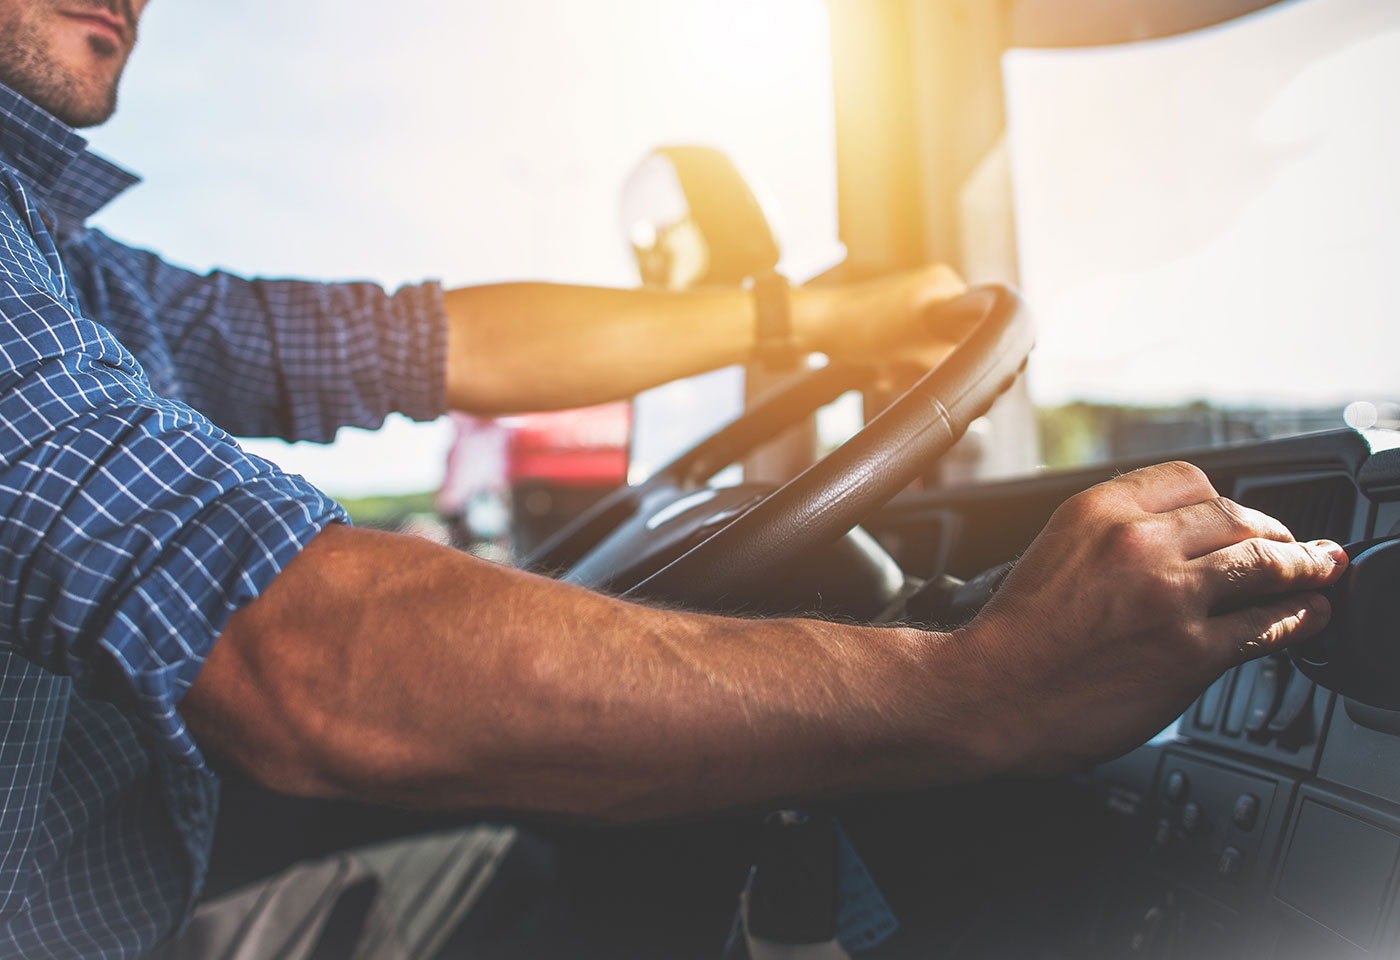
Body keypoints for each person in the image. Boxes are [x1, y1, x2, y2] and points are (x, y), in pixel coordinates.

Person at [0, 1, 1350, 957]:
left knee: (564, 866)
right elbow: (293, 652)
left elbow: (402, 339)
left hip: (127, 910)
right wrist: (981, 686)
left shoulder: (80, 269)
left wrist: (808, 322)